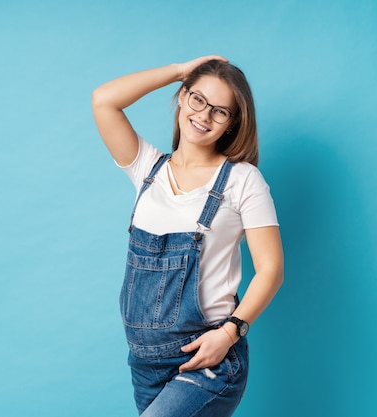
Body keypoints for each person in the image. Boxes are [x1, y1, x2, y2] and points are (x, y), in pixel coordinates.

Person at [92, 55, 284, 417]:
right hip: (145, 364)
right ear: (182, 97)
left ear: (231, 123)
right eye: (198, 99)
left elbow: (271, 269)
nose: (204, 116)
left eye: (220, 111)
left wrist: (229, 334)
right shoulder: (147, 168)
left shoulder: (243, 181)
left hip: (209, 359)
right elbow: (105, 100)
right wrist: (182, 70)